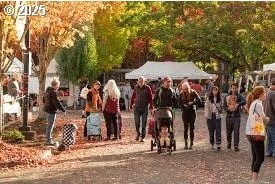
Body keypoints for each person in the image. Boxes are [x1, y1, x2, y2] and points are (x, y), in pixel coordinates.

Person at [246, 86, 269, 183]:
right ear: (260, 94)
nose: (265, 94)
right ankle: (254, 181)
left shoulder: (254, 103)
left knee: (255, 157)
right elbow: (263, 118)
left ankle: (253, 179)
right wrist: (267, 119)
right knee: (260, 158)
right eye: (264, 92)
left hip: (251, 132)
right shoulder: (258, 104)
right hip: (256, 133)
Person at [130, 76, 153, 142]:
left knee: (144, 123)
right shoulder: (136, 88)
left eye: (142, 81)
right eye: (139, 81)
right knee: (137, 122)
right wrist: (131, 105)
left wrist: (151, 107)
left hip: (144, 108)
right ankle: (138, 134)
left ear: (144, 81)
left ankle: (142, 137)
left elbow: (150, 98)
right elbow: (133, 96)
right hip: (136, 108)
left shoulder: (147, 88)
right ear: (137, 82)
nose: (140, 82)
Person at [43, 79, 66, 145]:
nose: (58, 86)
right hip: (51, 111)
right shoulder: (53, 92)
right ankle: (48, 141)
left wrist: (47, 104)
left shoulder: (47, 91)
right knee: (50, 125)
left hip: (47, 110)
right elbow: (57, 102)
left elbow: (43, 100)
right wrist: (63, 110)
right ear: (56, 85)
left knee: (49, 125)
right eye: (58, 85)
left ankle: (48, 140)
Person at [179, 82, 201, 149]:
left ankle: (191, 142)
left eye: (186, 89)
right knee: (185, 128)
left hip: (192, 112)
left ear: (188, 87)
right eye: (184, 89)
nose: (185, 90)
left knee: (192, 128)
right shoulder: (181, 94)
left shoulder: (193, 92)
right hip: (185, 112)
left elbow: (199, 100)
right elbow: (178, 103)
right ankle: (186, 143)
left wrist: (193, 102)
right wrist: (183, 105)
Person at [224, 83, 246, 152]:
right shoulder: (227, 96)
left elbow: (244, 101)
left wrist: (238, 104)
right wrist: (228, 109)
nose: (234, 89)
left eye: (235, 88)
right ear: (231, 88)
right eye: (233, 88)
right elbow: (224, 106)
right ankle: (229, 143)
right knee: (228, 131)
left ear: (237, 88)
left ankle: (236, 146)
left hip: (237, 116)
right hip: (229, 116)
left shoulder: (239, 95)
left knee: (236, 131)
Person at [204, 86, 223, 150]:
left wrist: (220, 107)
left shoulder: (219, 99)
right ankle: (212, 143)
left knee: (218, 130)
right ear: (212, 91)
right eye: (214, 90)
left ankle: (218, 143)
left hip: (217, 116)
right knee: (211, 131)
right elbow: (206, 108)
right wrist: (206, 115)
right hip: (210, 116)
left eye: (216, 90)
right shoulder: (209, 99)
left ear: (218, 91)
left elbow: (222, 106)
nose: (215, 92)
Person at [264, 78, 275, 157]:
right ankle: (274, 152)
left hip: (267, 118)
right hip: (273, 118)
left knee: (269, 137)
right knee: (273, 137)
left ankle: (268, 152)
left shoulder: (267, 93)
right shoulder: (273, 94)